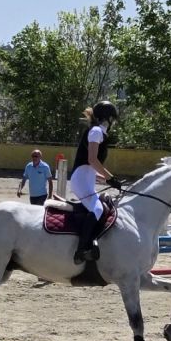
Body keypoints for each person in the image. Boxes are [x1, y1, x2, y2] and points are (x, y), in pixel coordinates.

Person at [67, 100, 122, 264]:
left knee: (101, 207)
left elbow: (91, 167)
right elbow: (92, 160)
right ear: (108, 118)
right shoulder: (97, 131)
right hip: (81, 178)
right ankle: (82, 250)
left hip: (86, 177)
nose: (114, 122)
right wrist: (109, 177)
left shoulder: (98, 132)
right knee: (97, 208)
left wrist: (107, 180)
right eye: (113, 119)